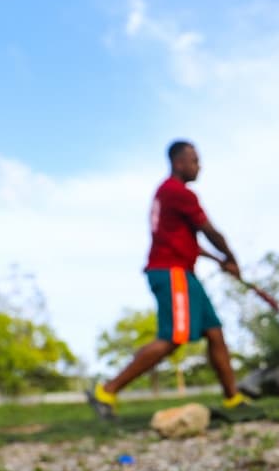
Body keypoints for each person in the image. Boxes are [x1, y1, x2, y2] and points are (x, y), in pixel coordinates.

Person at [87, 140, 248, 419]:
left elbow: (187, 241)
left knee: (214, 332)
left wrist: (218, 260)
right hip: (172, 272)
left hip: (183, 271)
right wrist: (231, 257)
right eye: (194, 160)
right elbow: (209, 231)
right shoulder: (178, 192)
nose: (199, 166)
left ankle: (233, 398)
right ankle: (107, 391)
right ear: (178, 163)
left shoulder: (165, 194)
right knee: (174, 337)